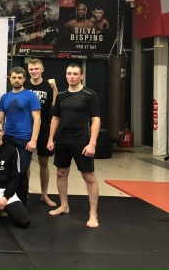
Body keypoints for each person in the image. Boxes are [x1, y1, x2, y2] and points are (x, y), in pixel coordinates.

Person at [47, 63, 101, 228]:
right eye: (69, 73)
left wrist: (92, 143)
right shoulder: (62, 95)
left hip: (82, 141)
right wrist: (50, 139)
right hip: (63, 140)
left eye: (75, 74)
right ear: (66, 76)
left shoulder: (90, 95)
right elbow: (55, 118)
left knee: (89, 178)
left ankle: (93, 214)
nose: (72, 76)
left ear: (81, 76)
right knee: (61, 173)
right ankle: (64, 205)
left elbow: (96, 120)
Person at [0, 66, 41, 206]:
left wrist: (33, 140)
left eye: (19, 78)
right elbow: (0, 119)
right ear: (10, 79)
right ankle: (5, 200)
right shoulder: (5, 97)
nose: (16, 80)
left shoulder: (31, 96)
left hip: (24, 140)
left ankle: (21, 204)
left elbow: (37, 119)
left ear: (24, 79)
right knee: (6, 171)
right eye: (14, 77)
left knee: (22, 172)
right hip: (7, 138)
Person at [24, 58, 58, 206]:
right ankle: (24, 192)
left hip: (44, 127)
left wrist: (55, 89)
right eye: (31, 69)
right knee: (25, 163)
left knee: (44, 162)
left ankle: (44, 194)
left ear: (42, 69)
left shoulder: (49, 86)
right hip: (27, 128)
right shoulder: (24, 84)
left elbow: (55, 105)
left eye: (36, 69)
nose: (34, 72)